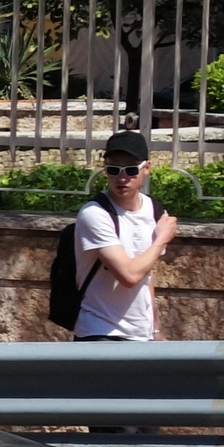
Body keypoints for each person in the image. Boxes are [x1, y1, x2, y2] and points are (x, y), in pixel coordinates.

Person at [74, 129, 176, 342]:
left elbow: (146, 275)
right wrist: (161, 240)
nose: (122, 178)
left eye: (130, 170)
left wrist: (155, 329)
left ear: (146, 168)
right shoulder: (94, 214)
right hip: (101, 331)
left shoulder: (155, 211)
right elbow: (129, 276)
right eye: (113, 170)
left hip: (141, 334)